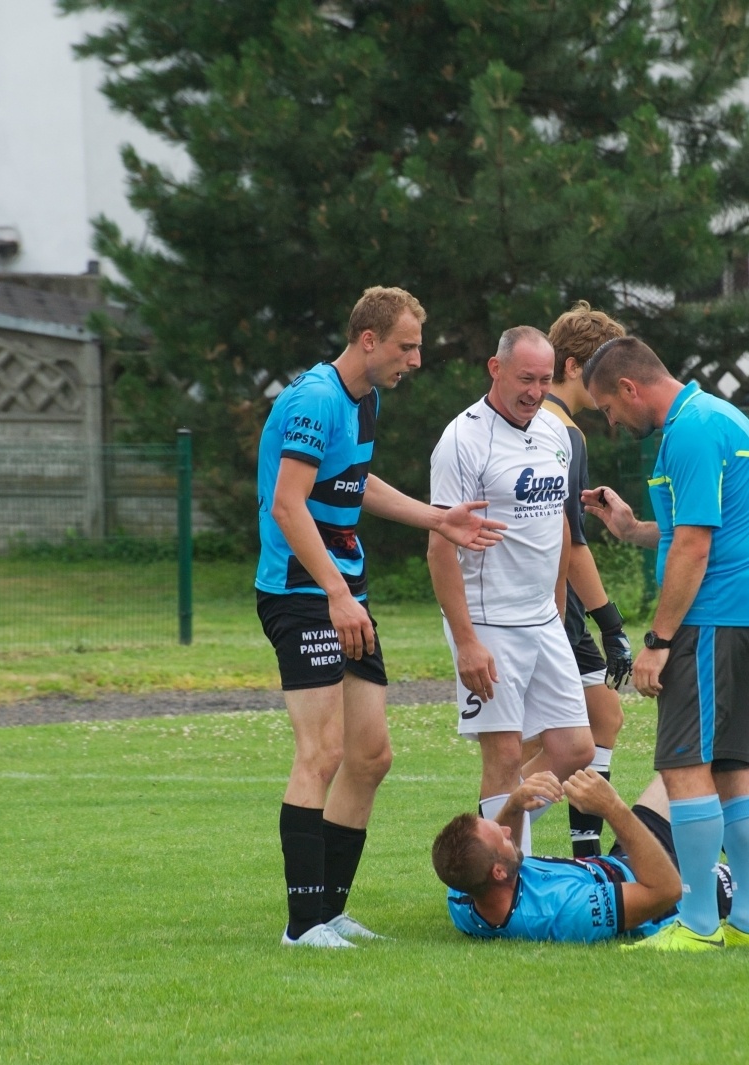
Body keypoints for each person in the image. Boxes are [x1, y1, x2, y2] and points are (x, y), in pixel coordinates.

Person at [257, 286, 506, 949]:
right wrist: (336, 592)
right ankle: (301, 924)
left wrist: (436, 516)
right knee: (322, 751)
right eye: (407, 345)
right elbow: (289, 505)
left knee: (370, 755)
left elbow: (353, 482)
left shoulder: (364, 400)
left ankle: (330, 911)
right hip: (302, 591)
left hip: (344, 588)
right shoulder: (314, 400)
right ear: (369, 340)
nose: (417, 359)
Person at [581, 336, 749, 951]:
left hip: (711, 617)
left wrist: (658, 640)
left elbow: (695, 548)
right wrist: (629, 528)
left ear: (629, 388)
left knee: (683, 764)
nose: (611, 423)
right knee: (734, 764)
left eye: (608, 409)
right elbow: (688, 532)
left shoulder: (690, 430)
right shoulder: (721, 417)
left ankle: (698, 925)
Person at [432, 770, 749, 945]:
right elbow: (662, 889)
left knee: (681, 770)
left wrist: (515, 802)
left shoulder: (466, 894)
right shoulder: (564, 912)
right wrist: (611, 807)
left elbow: (480, 861)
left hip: (623, 865)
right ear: (500, 872)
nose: (506, 828)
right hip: (667, 892)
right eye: (500, 835)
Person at [427, 326, 596, 856]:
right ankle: (500, 874)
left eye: (545, 380)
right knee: (502, 758)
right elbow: (440, 546)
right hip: (489, 623)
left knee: (574, 747)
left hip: (542, 621)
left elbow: (561, 525)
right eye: (525, 378)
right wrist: (467, 641)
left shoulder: (554, 431)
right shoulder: (462, 440)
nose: (535, 391)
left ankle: (489, 846)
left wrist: (557, 606)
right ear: (495, 369)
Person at [532, 301, 633, 858]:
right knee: (562, 740)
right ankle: (494, 834)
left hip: (541, 606)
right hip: (554, 609)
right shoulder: (564, 433)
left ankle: (585, 855)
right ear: (573, 367)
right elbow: (572, 546)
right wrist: (610, 622)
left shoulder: (541, 423)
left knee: (598, 718)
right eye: (600, 369)